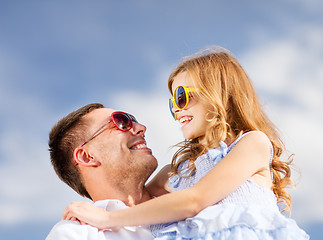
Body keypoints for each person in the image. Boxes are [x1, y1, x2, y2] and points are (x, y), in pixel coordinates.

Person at [62, 48, 310, 239]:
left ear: (221, 95)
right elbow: (138, 199)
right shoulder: (179, 171)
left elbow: (194, 200)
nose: (177, 110)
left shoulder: (252, 144)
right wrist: (93, 212)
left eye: (182, 97)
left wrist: (107, 218)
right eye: (173, 104)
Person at [46, 103, 157, 239]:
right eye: (120, 121)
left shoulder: (182, 187)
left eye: (134, 121)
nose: (141, 128)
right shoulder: (76, 235)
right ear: (87, 157)